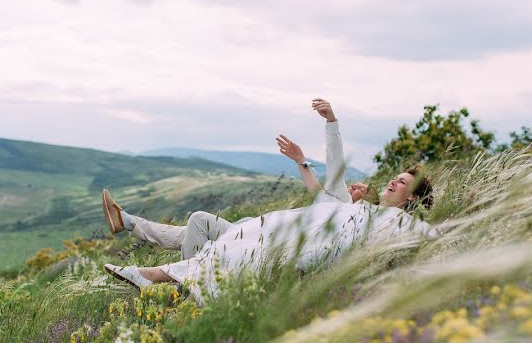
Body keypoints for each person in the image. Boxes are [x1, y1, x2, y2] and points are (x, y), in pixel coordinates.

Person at [104, 101, 437, 302]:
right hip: (259, 232)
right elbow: (328, 177)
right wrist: (310, 148)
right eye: (396, 177)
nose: (393, 180)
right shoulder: (346, 206)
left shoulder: (376, 218)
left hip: (271, 243)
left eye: (402, 182)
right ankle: (155, 257)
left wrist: (328, 128)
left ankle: (174, 283)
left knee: (200, 227)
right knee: (199, 222)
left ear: (410, 199)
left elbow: (335, 171)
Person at [102, 100, 386, 259]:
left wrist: (331, 121)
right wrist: (299, 159)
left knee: (197, 222)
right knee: (185, 233)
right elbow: (316, 187)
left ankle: (186, 287)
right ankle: (125, 221)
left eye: (361, 190)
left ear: (364, 205)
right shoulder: (332, 203)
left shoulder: (348, 213)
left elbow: (335, 164)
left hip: (259, 243)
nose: (354, 187)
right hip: (252, 229)